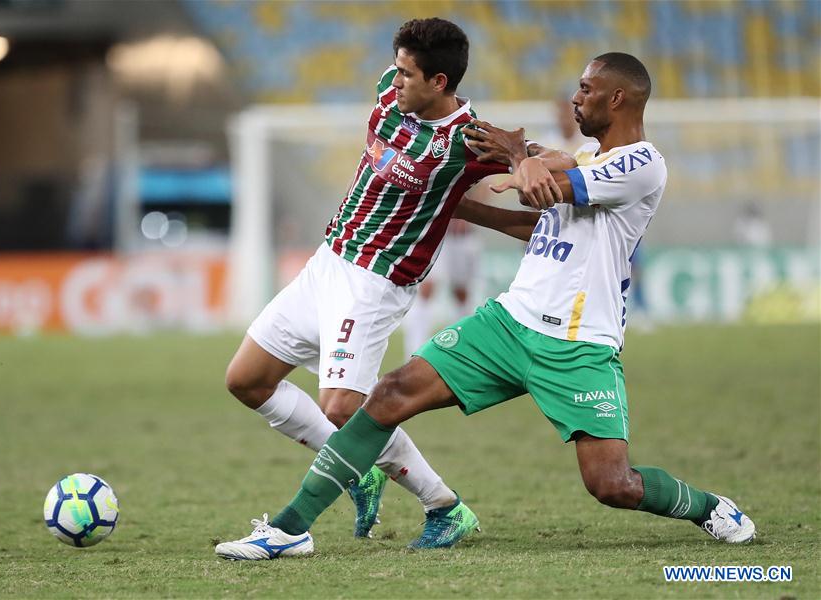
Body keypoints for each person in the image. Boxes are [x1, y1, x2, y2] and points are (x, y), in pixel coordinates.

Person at [215, 52, 755, 560]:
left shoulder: (642, 165)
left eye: (586, 89)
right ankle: (289, 530)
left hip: (576, 345)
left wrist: (518, 152)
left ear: (618, 100)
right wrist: (455, 203)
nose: (575, 98)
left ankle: (710, 507)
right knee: (389, 395)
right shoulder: (590, 156)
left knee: (611, 484)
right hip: (509, 324)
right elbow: (533, 222)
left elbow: (539, 192)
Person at [219, 17, 540, 555]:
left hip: (375, 281)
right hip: (329, 261)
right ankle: (355, 467)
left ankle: (444, 506)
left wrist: (522, 155)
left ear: (439, 81)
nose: (393, 82)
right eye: (394, 68)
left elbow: (543, 165)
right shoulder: (391, 95)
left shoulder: (467, 139)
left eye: (407, 74)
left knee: (344, 406)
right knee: (246, 380)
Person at [401, 218, 481, 361]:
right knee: (427, 287)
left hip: (462, 235)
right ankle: (414, 352)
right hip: (437, 229)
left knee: (461, 293)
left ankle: (461, 349)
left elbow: (483, 195)